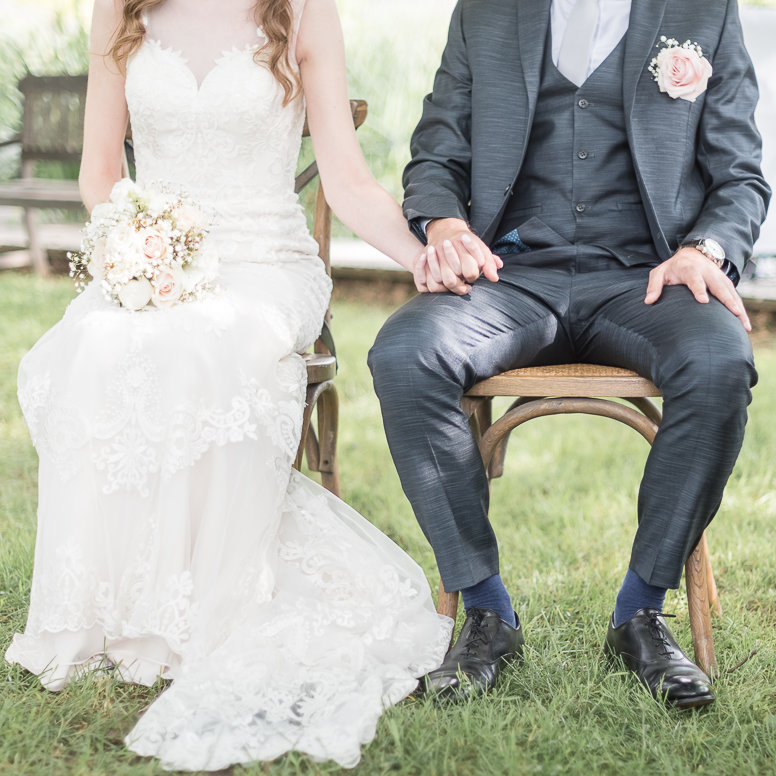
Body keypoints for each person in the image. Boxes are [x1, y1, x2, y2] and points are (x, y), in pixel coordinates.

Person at [5, 0, 452, 770]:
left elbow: (346, 181)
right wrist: (136, 250)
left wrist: (420, 255)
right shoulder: (121, 9)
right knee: (90, 346)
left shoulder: (305, 11)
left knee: (208, 345)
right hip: (151, 252)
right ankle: (110, 609)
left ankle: (199, 608)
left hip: (264, 262)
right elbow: (100, 172)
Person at [368, 0, 770, 708]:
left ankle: (641, 612)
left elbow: (740, 175)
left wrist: (704, 250)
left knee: (719, 363)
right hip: (511, 276)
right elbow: (436, 154)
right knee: (407, 352)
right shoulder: (484, 13)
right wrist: (447, 224)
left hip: (648, 279)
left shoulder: (703, 9)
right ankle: (488, 613)